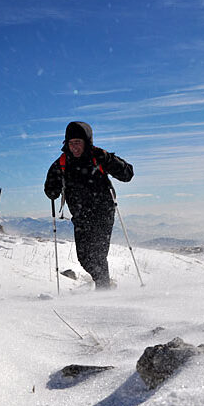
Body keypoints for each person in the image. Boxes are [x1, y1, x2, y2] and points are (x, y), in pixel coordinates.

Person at [44, 121, 134, 288]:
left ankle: (104, 289)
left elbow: (128, 174)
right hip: (80, 217)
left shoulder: (98, 156)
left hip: (103, 213)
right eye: (71, 143)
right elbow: (50, 190)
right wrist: (51, 189)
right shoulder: (62, 163)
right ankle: (104, 284)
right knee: (85, 258)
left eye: (78, 142)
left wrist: (109, 159)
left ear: (87, 142)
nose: (74, 147)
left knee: (98, 256)